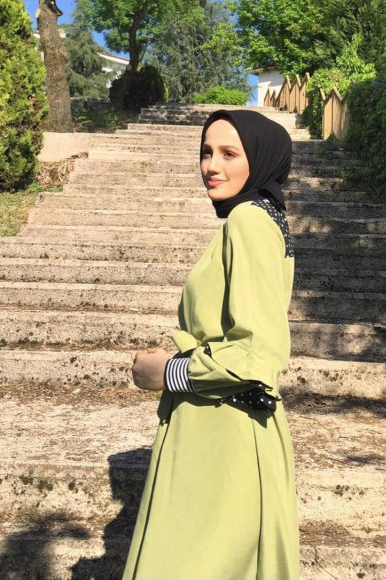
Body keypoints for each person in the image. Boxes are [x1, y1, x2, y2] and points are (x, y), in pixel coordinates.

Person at [122, 109, 300, 580]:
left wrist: (168, 372)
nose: (211, 166)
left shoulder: (249, 220)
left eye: (229, 153)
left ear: (260, 160)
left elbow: (253, 353)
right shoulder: (263, 219)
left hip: (223, 434)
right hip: (226, 424)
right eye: (206, 152)